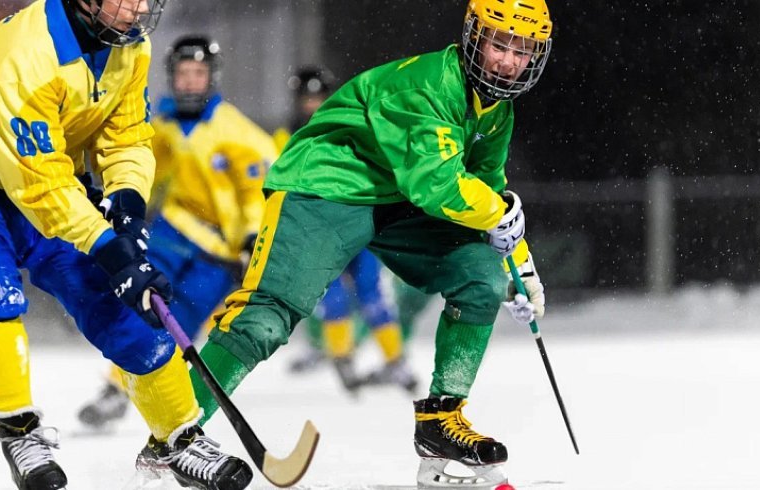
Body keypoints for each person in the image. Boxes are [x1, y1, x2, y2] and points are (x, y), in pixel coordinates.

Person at [181, 0, 552, 485]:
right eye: (498, 44)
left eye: (521, 50)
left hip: (396, 200)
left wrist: (518, 270)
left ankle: (441, 420)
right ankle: (175, 434)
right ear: (474, 38)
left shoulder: (497, 110)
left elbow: (491, 198)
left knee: (482, 275)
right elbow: (438, 186)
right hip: (327, 186)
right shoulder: (430, 85)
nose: (507, 60)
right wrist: (499, 214)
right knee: (267, 319)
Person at [0, 2, 252, 489]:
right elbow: (39, 187)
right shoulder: (25, 56)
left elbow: (126, 136)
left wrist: (127, 205)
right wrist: (108, 246)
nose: (142, 8)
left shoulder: (129, 44)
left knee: (119, 299)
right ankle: (20, 430)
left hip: (52, 176)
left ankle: (179, 436)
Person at [77, 34, 278, 429]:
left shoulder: (239, 133)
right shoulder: (161, 125)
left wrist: (252, 238)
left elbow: (255, 193)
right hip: (172, 230)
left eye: (198, 73)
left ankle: (158, 394)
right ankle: (115, 388)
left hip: (219, 250)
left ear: (212, 77)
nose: (189, 81)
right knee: (144, 302)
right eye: (182, 73)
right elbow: (142, 170)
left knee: (182, 318)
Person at [275, 66, 419, 393]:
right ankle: (342, 359)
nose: (312, 105)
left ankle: (396, 361)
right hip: (321, 231)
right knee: (333, 296)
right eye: (307, 98)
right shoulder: (287, 137)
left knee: (372, 292)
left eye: (318, 98)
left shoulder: (349, 126)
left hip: (358, 223)